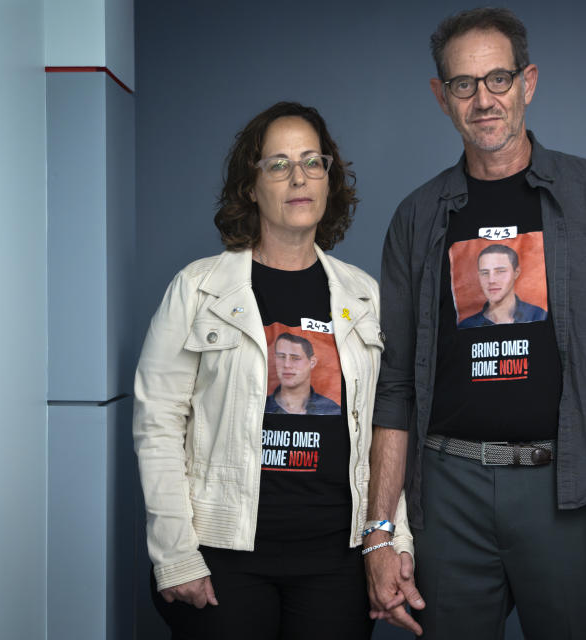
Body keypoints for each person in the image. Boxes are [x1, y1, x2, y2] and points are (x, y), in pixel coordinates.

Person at [364, 8, 586, 639]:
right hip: (446, 497)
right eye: (463, 84)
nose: (484, 99)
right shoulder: (417, 217)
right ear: (441, 96)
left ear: (528, 82)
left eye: (499, 79)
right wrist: (379, 533)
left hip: (572, 494)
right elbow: (394, 385)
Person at [133, 101, 412, 640]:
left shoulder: (364, 297)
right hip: (225, 557)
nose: (298, 177)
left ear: (330, 180)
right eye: (278, 164)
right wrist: (174, 554)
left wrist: (395, 542)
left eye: (312, 161)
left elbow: (386, 428)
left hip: (337, 558)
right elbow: (158, 424)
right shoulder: (198, 289)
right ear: (251, 185)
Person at [457, 244, 546, 328]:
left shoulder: (538, 316)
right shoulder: (467, 326)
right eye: (484, 273)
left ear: (516, 272)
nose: (491, 280)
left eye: (500, 271)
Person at [265, 332, 341, 415]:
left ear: (312, 362)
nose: (286, 365)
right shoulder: (259, 407)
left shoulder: (331, 411)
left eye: (295, 358)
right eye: (281, 357)